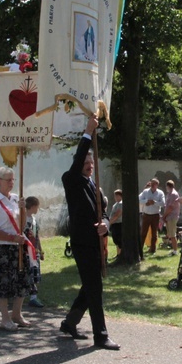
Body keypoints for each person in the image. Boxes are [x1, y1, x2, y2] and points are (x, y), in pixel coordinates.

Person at [59, 116, 119, 350]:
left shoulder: (95, 186)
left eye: (91, 163)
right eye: (85, 161)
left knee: (90, 286)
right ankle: (101, 335)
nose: (89, 165)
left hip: (96, 242)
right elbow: (77, 162)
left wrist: (106, 225)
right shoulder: (71, 180)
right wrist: (88, 131)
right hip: (82, 242)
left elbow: (103, 213)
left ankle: (69, 323)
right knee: (95, 287)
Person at [0, 167, 32, 331]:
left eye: (13, 179)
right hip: (1, 246)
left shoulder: (16, 199)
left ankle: (17, 313)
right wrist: (11, 238)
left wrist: (23, 210)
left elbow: (22, 225)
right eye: (7, 179)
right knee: (2, 282)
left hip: (17, 245)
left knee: (21, 279)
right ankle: (4, 317)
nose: (11, 183)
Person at [24, 196, 45, 308]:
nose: (38, 209)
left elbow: (37, 237)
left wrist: (40, 250)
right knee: (26, 273)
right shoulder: (23, 219)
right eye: (37, 207)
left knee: (34, 273)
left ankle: (33, 297)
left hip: (34, 251)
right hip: (26, 251)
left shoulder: (34, 220)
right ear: (32, 207)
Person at [139, 178, 164, 256]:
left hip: (155, 215)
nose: (153, 185)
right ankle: (140, 248)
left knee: (154, 233)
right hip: (146, 215)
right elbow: (139, 200)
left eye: (155, 184)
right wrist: (147, 201)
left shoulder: (160, 193)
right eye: (152, 183)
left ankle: (153, 249)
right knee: (143, 232)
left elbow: (163, 203)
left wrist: (154, 202)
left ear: (157, 185)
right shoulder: (145, 191)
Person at [162, 180, 181, 256]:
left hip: (172, 216)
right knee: (170, 234)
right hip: (169, 216)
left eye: (166, 186)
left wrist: (164, 216)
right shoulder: (169, 194)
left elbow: (170, 207)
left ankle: (175, 251)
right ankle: (173, 249)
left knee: (173, 235)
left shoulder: (173, 194)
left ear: (168, 186)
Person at [108, 190, 123, 260]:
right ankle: (118, 254)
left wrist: (109, 222)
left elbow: (117, 215)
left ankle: (121, 254)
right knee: (116, 239)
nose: (115, 197)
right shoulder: (116, 204)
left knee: (119, 239)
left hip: (119, 224)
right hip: (114, 224)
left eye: (117, 195)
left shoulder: (121, 204)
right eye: (115, 196)